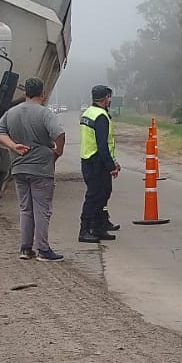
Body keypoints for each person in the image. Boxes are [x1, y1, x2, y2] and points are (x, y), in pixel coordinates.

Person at [0, 77, 66, 261]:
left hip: (19, 167)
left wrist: (13, 146)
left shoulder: (12, 113)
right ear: (43, 93)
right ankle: (43, 249)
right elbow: (59, 134)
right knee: (42, 209)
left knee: (25, 209)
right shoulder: (44, 113)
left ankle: (25, 249)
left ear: (25, 93)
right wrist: (57, 152)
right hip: (41, 168)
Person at [79, 84, 120, 244]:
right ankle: (85, 230)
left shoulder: (88, 112)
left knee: (102, 194)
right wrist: (111, 167)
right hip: (97, 161)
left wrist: (113, 161)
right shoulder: (101, 116)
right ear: (105, 98)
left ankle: (98, 227)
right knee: (94, 196)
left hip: (89, 159)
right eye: (109, 97)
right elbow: (103, 145)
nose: (110, 100)